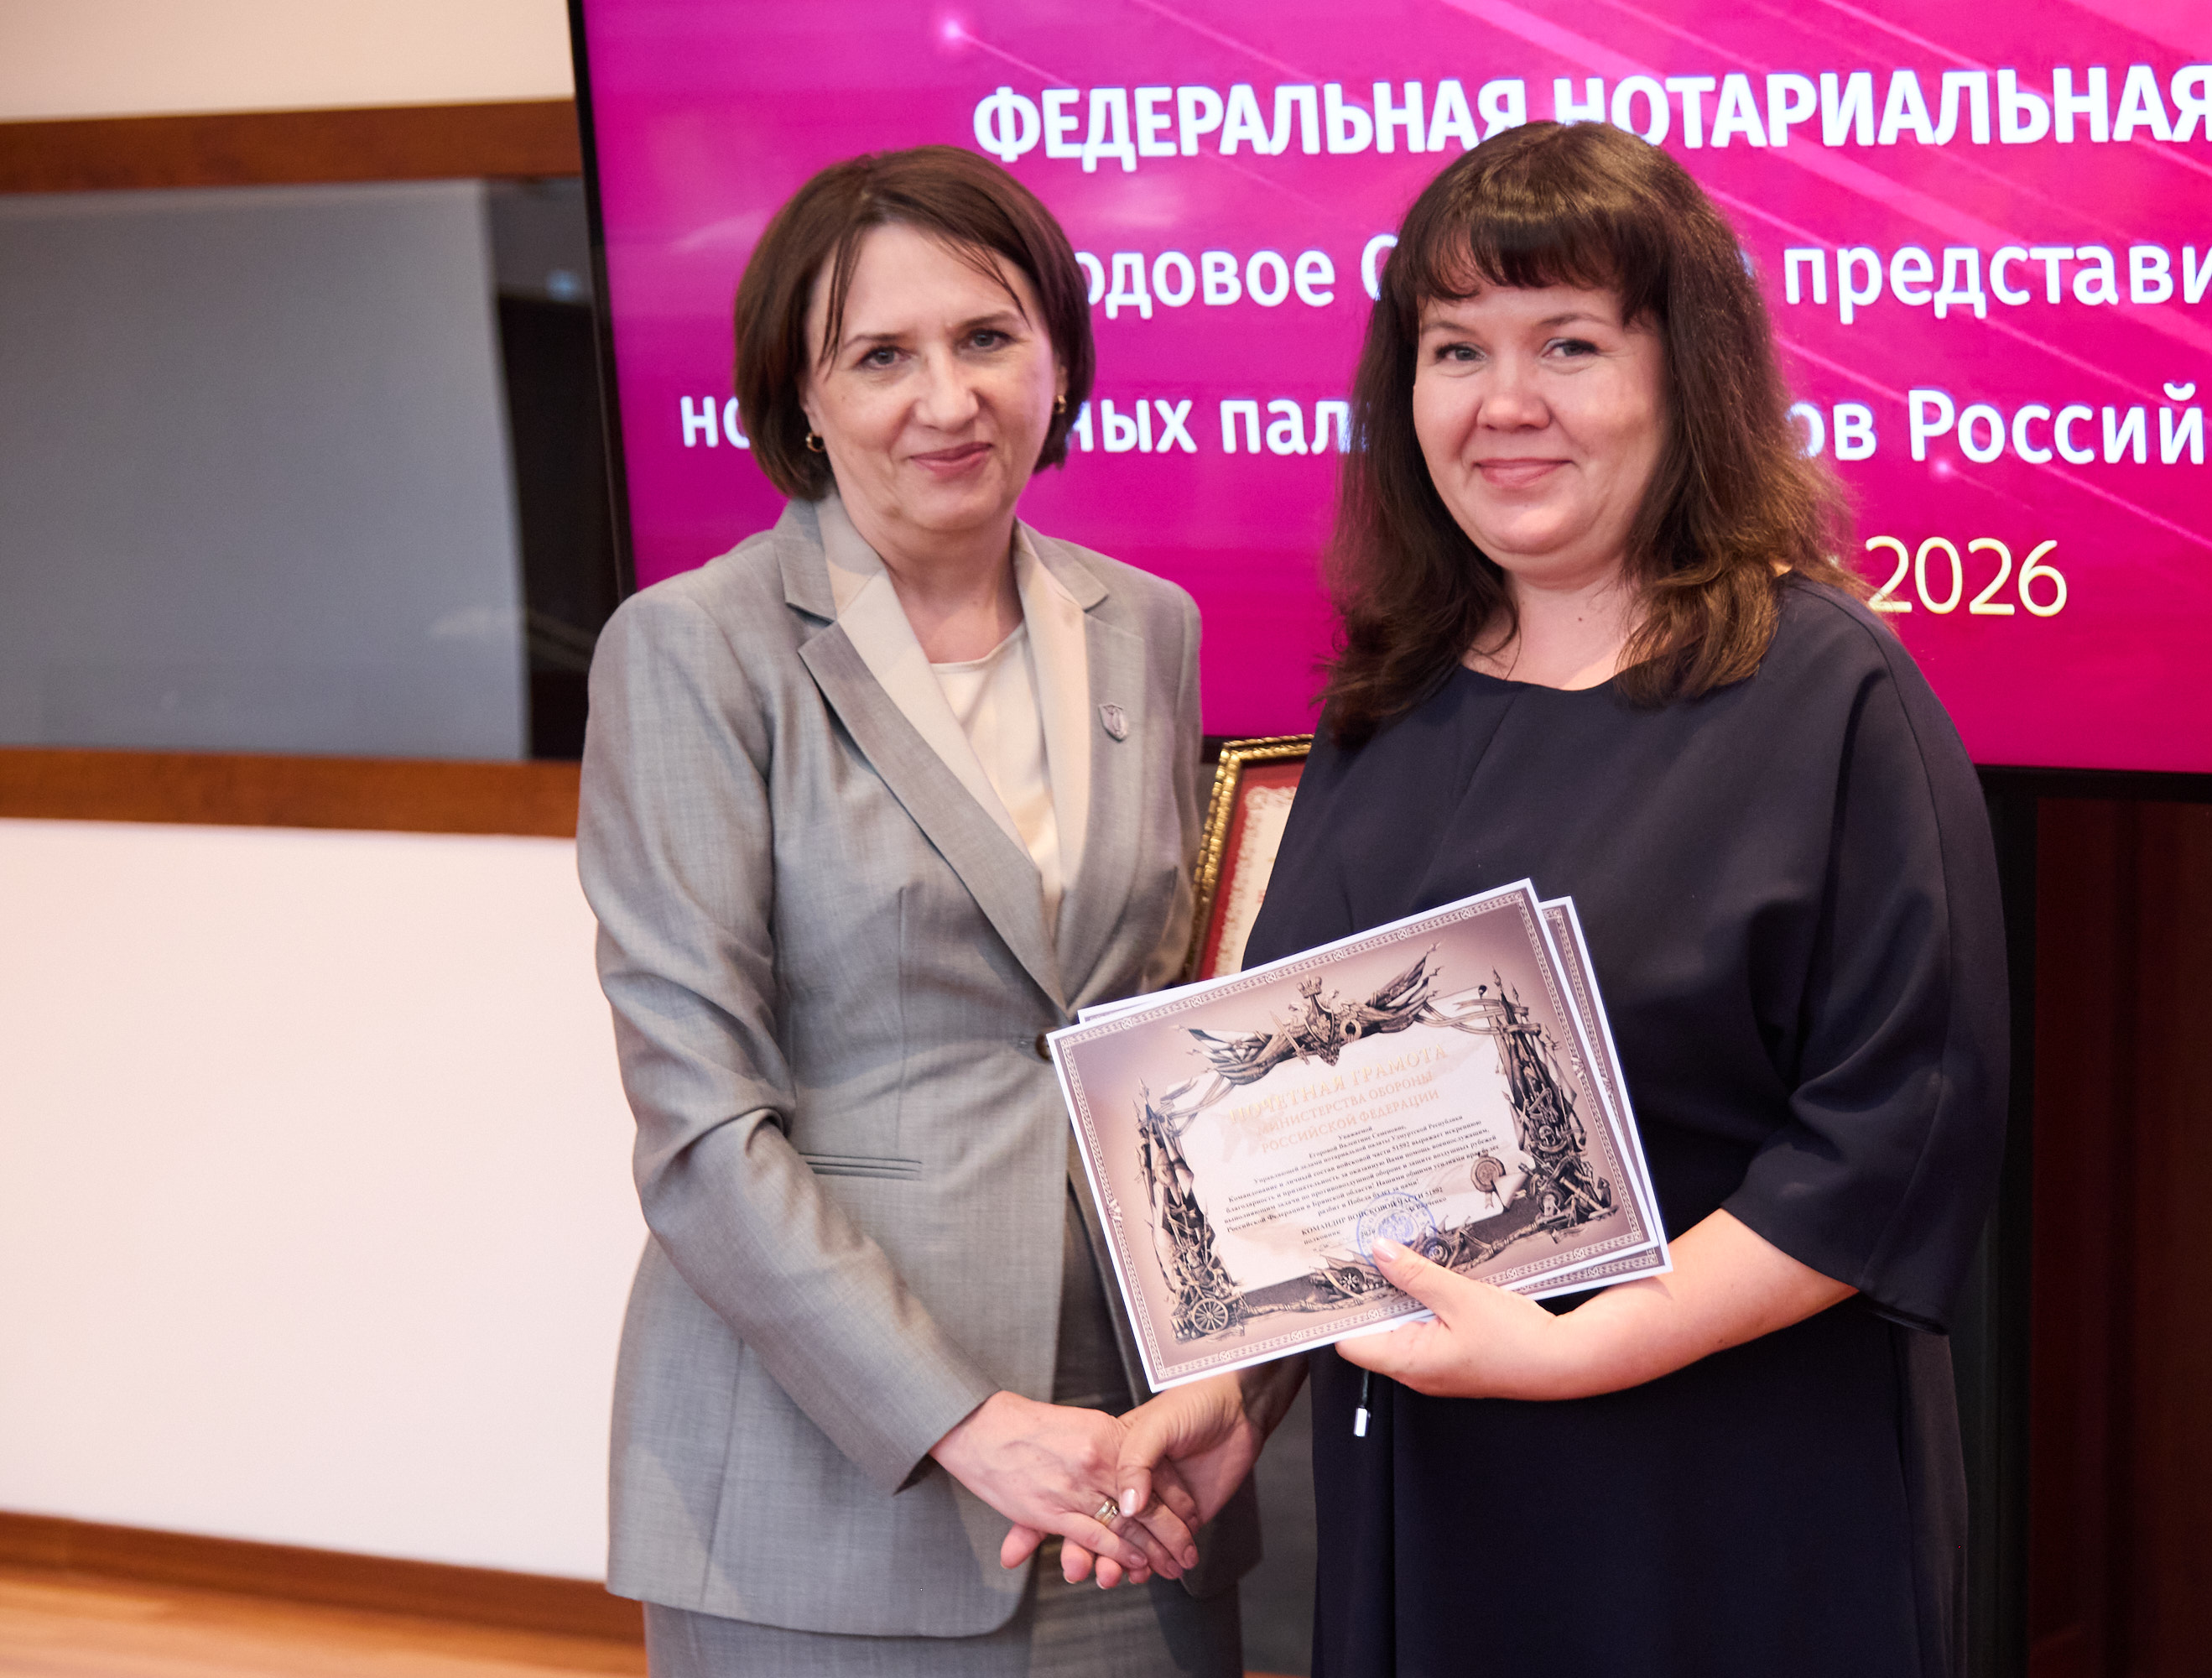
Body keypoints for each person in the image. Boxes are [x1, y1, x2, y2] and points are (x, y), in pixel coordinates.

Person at [1111, 121, 2007, 1675]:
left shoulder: (1827, 693)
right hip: (1432, 1496)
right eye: (1457, 349)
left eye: (1571, 344)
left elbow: (1892, 1135)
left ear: (1685, 378)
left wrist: (1575, 1355)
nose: (1505, 403)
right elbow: (1301, 1140)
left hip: (1726, 1499)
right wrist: (1234, 1393)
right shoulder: (1387, 702)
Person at [576, 145, 1253, 1677]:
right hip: (833, 1469)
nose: (947, 400)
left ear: (1058, 358)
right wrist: (962, 1420)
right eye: (881, 356)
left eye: (987, 338)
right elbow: (697, 1124)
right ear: (800, 399)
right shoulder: (693, 650)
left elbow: (1157, 1032)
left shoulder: (1148, 627)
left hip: (1129, 1459)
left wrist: (1230, 1377)